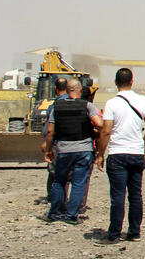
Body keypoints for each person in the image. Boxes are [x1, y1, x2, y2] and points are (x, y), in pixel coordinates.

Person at [94, 68, 145, 246]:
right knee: (136, 195)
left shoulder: (112, 103)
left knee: (118, 196)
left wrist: (100, 154)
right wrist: (143, 145)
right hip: (136, 154)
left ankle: (114, 234)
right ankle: (134, 232)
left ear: (116, 82)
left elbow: (106, 131)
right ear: (132, 81)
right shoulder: (143, 100)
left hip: (117, 154)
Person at [43, 79, 103, 224]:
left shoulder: (57, 107)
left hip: (63, 149)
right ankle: (71, 216)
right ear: (80, 90)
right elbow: (100, 124)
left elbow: (50, 131)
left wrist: (48, 150)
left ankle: (55, 213)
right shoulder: (87, 106)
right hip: (84, 150)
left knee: (59, 181)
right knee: (78, 183)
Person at [44, 77, 70, 200]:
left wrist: (47, 146)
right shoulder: (77, 103)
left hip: (57, 144)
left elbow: (49, 130)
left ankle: (55, 200)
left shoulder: (55, 106)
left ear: (55, 88)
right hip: (72, 144)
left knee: (55, 174)